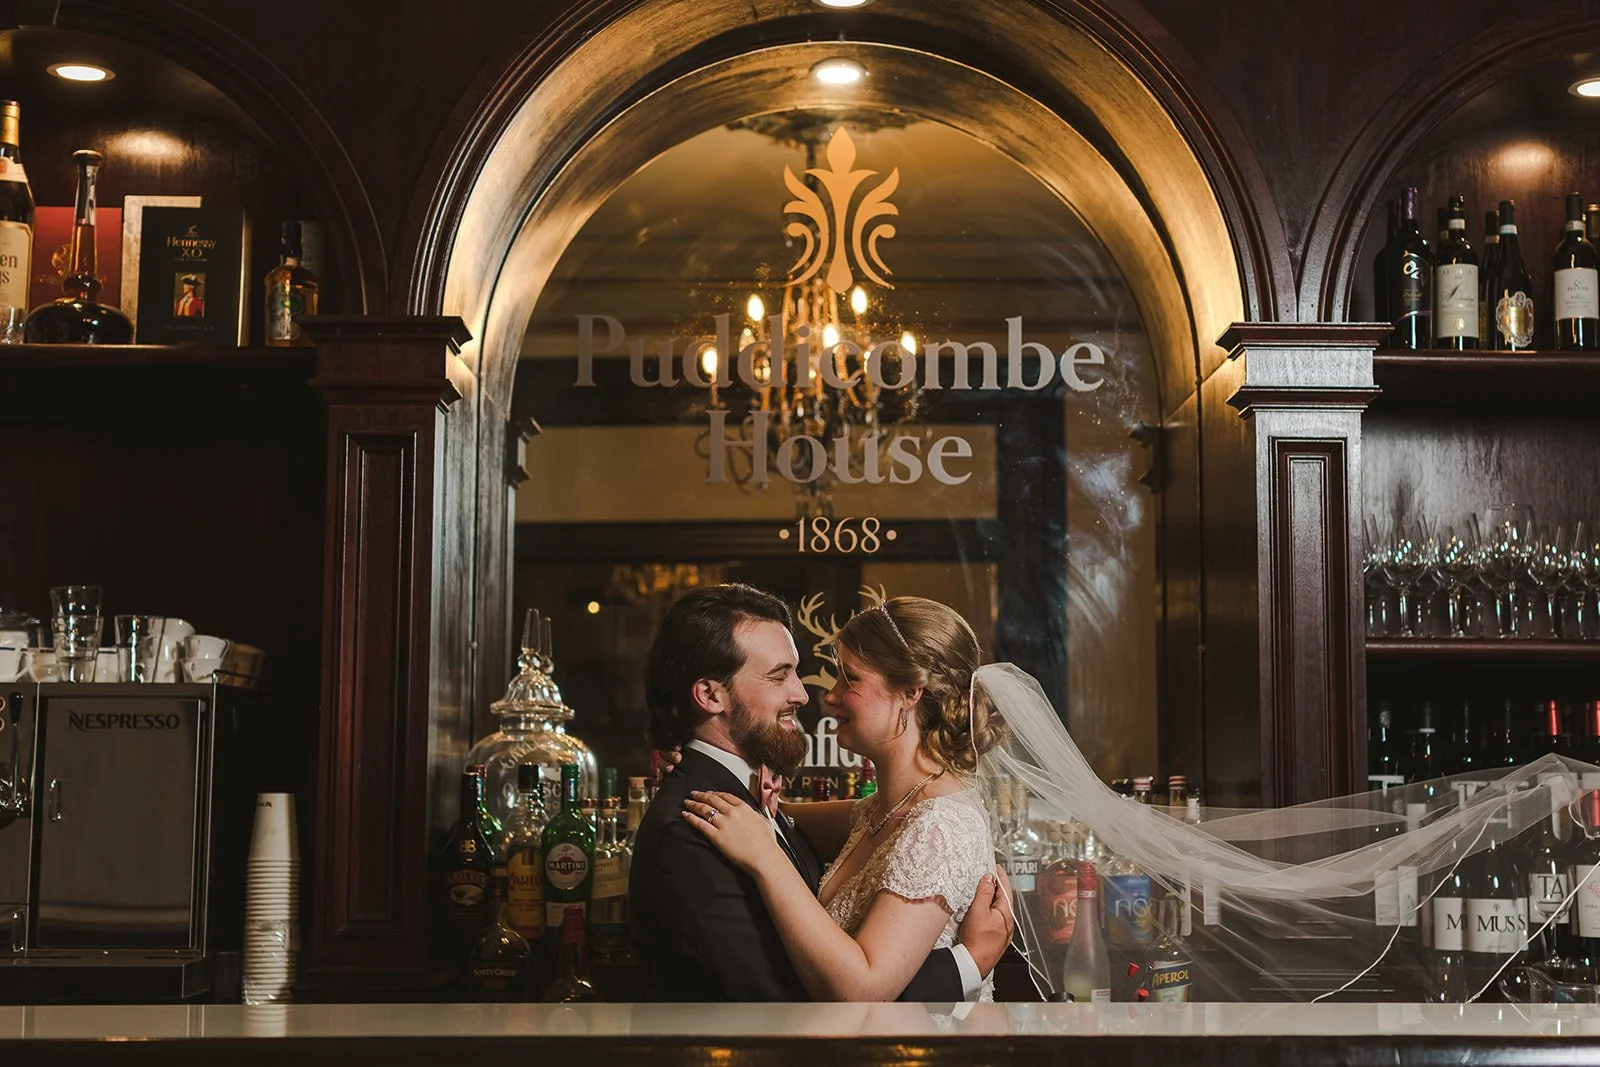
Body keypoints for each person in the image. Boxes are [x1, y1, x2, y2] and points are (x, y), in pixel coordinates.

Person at [629, 584, 1013, 1002]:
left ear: (910, 694)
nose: (812, 695)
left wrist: (765, 842)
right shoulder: (696, 827)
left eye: (849, 678)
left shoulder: (937, 822)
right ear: (709, 695)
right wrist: (968, 962)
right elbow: (789, 1001)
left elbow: (845, 990)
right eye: (780, 675)